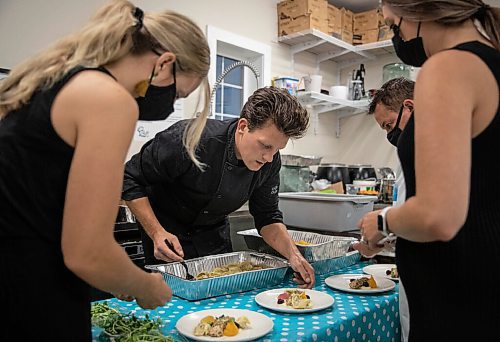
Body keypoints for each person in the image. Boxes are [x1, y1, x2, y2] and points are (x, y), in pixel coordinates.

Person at [0, 1, 211, 340]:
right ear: (164, 64)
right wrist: (145, 286)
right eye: (177, 94)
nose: (170, 105)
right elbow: (88, 253)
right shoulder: (110, 99)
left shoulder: (54, 79)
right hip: (31, 292)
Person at [356, 0, 499, 340]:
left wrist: (382, 221)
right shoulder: (491, 64)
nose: (397, 37)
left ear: (418, 9)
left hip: (458, 298)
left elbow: (439, 215)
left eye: (393, 26)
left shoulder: (448, 67)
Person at [123, 86, 316, 288]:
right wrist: (156, 232)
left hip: (214, 242)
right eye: (265, 146)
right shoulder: (190, 139)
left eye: (277, 150)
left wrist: (294, 256)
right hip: (167, 240)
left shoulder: (270, 163)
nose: (269, 158)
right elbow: (130, 177)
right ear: (243, 126)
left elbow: (267, 216)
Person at [366, 77, 415, 342]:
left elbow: (434, 213)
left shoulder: (438, 146)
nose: (389, 135)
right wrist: (384, 240)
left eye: (389, 125)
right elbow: (409, 211)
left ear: (409, 107)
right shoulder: (406, 154)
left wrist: (383, 221)